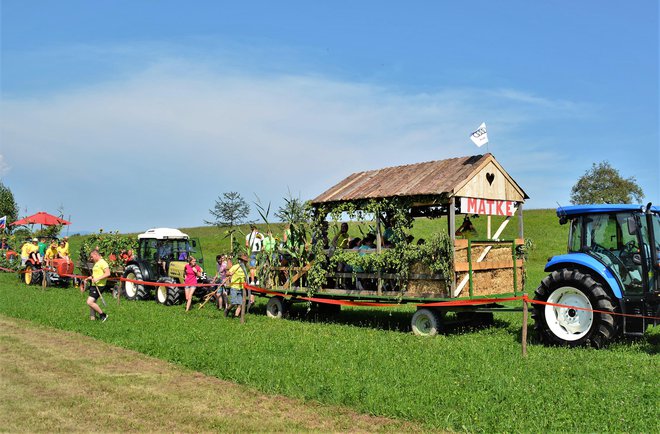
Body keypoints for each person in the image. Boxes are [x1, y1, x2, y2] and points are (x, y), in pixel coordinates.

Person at [82, 250, 109, 322]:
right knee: (92, 303)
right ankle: (92, 319)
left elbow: (107, 273)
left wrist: (97, 279)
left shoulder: (103, 262)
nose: (91, 258)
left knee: (89, 302)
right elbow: (95, 275)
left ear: (96, 254)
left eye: (92, 256)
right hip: (94, 285)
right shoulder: (96, 263)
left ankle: (103, 315)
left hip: (100, 285)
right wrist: (88, 278)